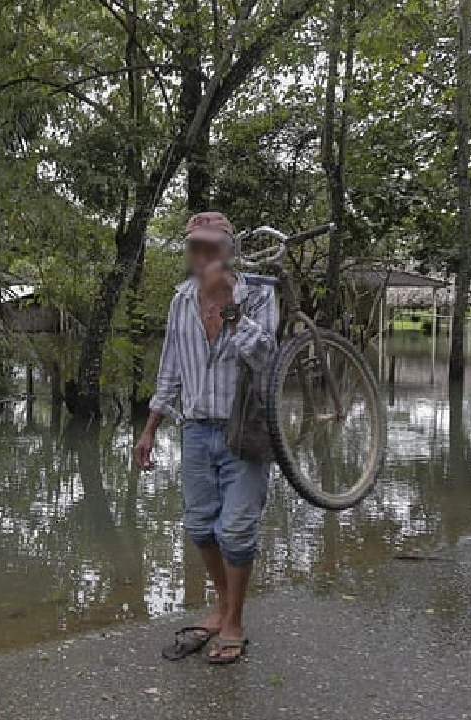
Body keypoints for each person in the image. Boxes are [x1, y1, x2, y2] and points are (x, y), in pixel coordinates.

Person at [133, 211, 278, 665]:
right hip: (195, 431)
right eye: (196, 246)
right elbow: (170, 370)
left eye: (212, 246)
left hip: (245, 430)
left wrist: (230, 308)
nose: (204, 255)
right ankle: (221, 606)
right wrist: (150, 428)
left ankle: (234, 622)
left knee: (235, 530)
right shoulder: (179, 301)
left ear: (229, 250)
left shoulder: (260, 296)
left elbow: (264, 358)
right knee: (199, 527)